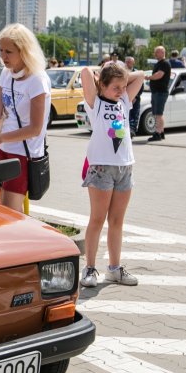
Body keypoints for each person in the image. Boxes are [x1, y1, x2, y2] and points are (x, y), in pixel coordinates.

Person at [77, 62, 144, 288]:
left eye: (123, 86)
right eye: (115, 87)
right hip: (101, 168)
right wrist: (103, 72)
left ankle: (114, 269)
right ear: (102, 85)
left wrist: (121, 76)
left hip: (125, 168)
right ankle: (89, 268)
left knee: (117, 221)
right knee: (97, 219)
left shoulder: (124, 101)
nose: (121, 91)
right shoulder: (95, 103)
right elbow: (85, 72)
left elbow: (141, 75)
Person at [0, 22, 51, 213]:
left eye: (8, 52)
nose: (3, 57)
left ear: (24, 51)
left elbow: (35, 129)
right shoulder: (7, 74)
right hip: (4, 149)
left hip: (24, 155)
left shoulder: (37, 80)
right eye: (1, 50)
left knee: (11, 212)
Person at [145, 46, 171, 141]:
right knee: (157, 114)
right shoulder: (159, 63)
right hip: (156, 92)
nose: (155, 54)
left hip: (160, 92)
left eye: (157, 52)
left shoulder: (164, 63)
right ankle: (161, 132)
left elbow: (159, 75)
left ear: (162, 52)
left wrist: (149, 77)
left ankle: (157, 133)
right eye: (155, 52)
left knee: (158, 114)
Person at [124, 56, 142, 136]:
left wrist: (135, 96)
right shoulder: (122, 72)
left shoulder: (136, 72)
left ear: (133, 63)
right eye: (127, 61)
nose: (128, 63)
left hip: (135, 98)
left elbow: (140, 86)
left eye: (130, 62)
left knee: (134, 115)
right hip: (124, 98)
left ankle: (132, 131)